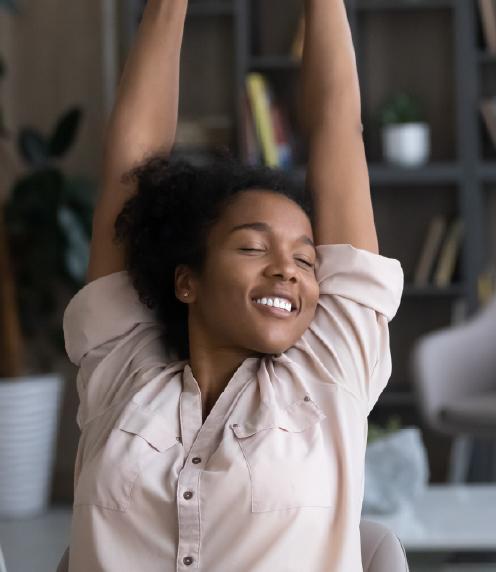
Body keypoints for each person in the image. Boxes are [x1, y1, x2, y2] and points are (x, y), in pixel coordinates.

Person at [62, 0, 404, 570]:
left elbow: (338, 127)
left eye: (305, 259)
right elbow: (132, 162)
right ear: (187, 280)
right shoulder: (124, 366)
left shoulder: (331, 367)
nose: (287, 269)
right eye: (252, 247)